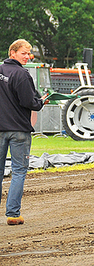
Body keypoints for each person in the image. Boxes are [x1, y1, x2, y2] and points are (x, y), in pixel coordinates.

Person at [0, 39, 47, 225]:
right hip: (19, 129)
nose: (28, 57)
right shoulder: (22, 75)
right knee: (18, 172)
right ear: (13, 53)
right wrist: (41, 102)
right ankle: (13, 214)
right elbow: (30, 102)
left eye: (29, 54)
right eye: (24, 53)